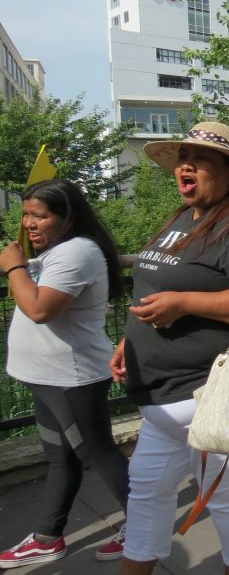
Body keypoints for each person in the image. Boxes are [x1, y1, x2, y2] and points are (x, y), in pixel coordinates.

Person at [109, 122, 229, 575]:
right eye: (182, 158)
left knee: (227, 496)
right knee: (147, 491)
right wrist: (131, 339)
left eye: (200, 158)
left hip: (213, 391)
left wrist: (184, 304)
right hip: (162, 397)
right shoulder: (181, 218)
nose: (185, 166)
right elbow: (157, 282)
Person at [0, 179, 130, 568]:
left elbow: (40, 309)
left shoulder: (78, 252)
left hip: (71, 378)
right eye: (25, 214)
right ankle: (46, 537)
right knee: (60, 458)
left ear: (67, 216)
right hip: (44, 377)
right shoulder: (54, 251)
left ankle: (143, 525)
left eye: (40, 216)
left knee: (98, 452)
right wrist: (23, 264)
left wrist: (14, 266)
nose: (29, 224)